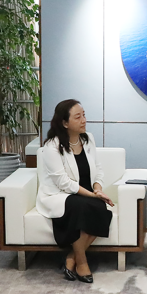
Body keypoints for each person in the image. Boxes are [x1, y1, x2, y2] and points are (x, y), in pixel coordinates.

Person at [37, 99, 114, 284]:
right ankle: (82, 262)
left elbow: (98, 169)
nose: (84, 120)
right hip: (59, 195)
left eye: (84, 115)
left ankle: (70, 258)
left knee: (101, 209)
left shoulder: (88, 139)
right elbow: (63, 183)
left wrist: (97, 189)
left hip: (85, 194)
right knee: (80, 206)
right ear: (65, 123)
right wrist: (92, 195)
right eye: (78, 117)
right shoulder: (52, 147)